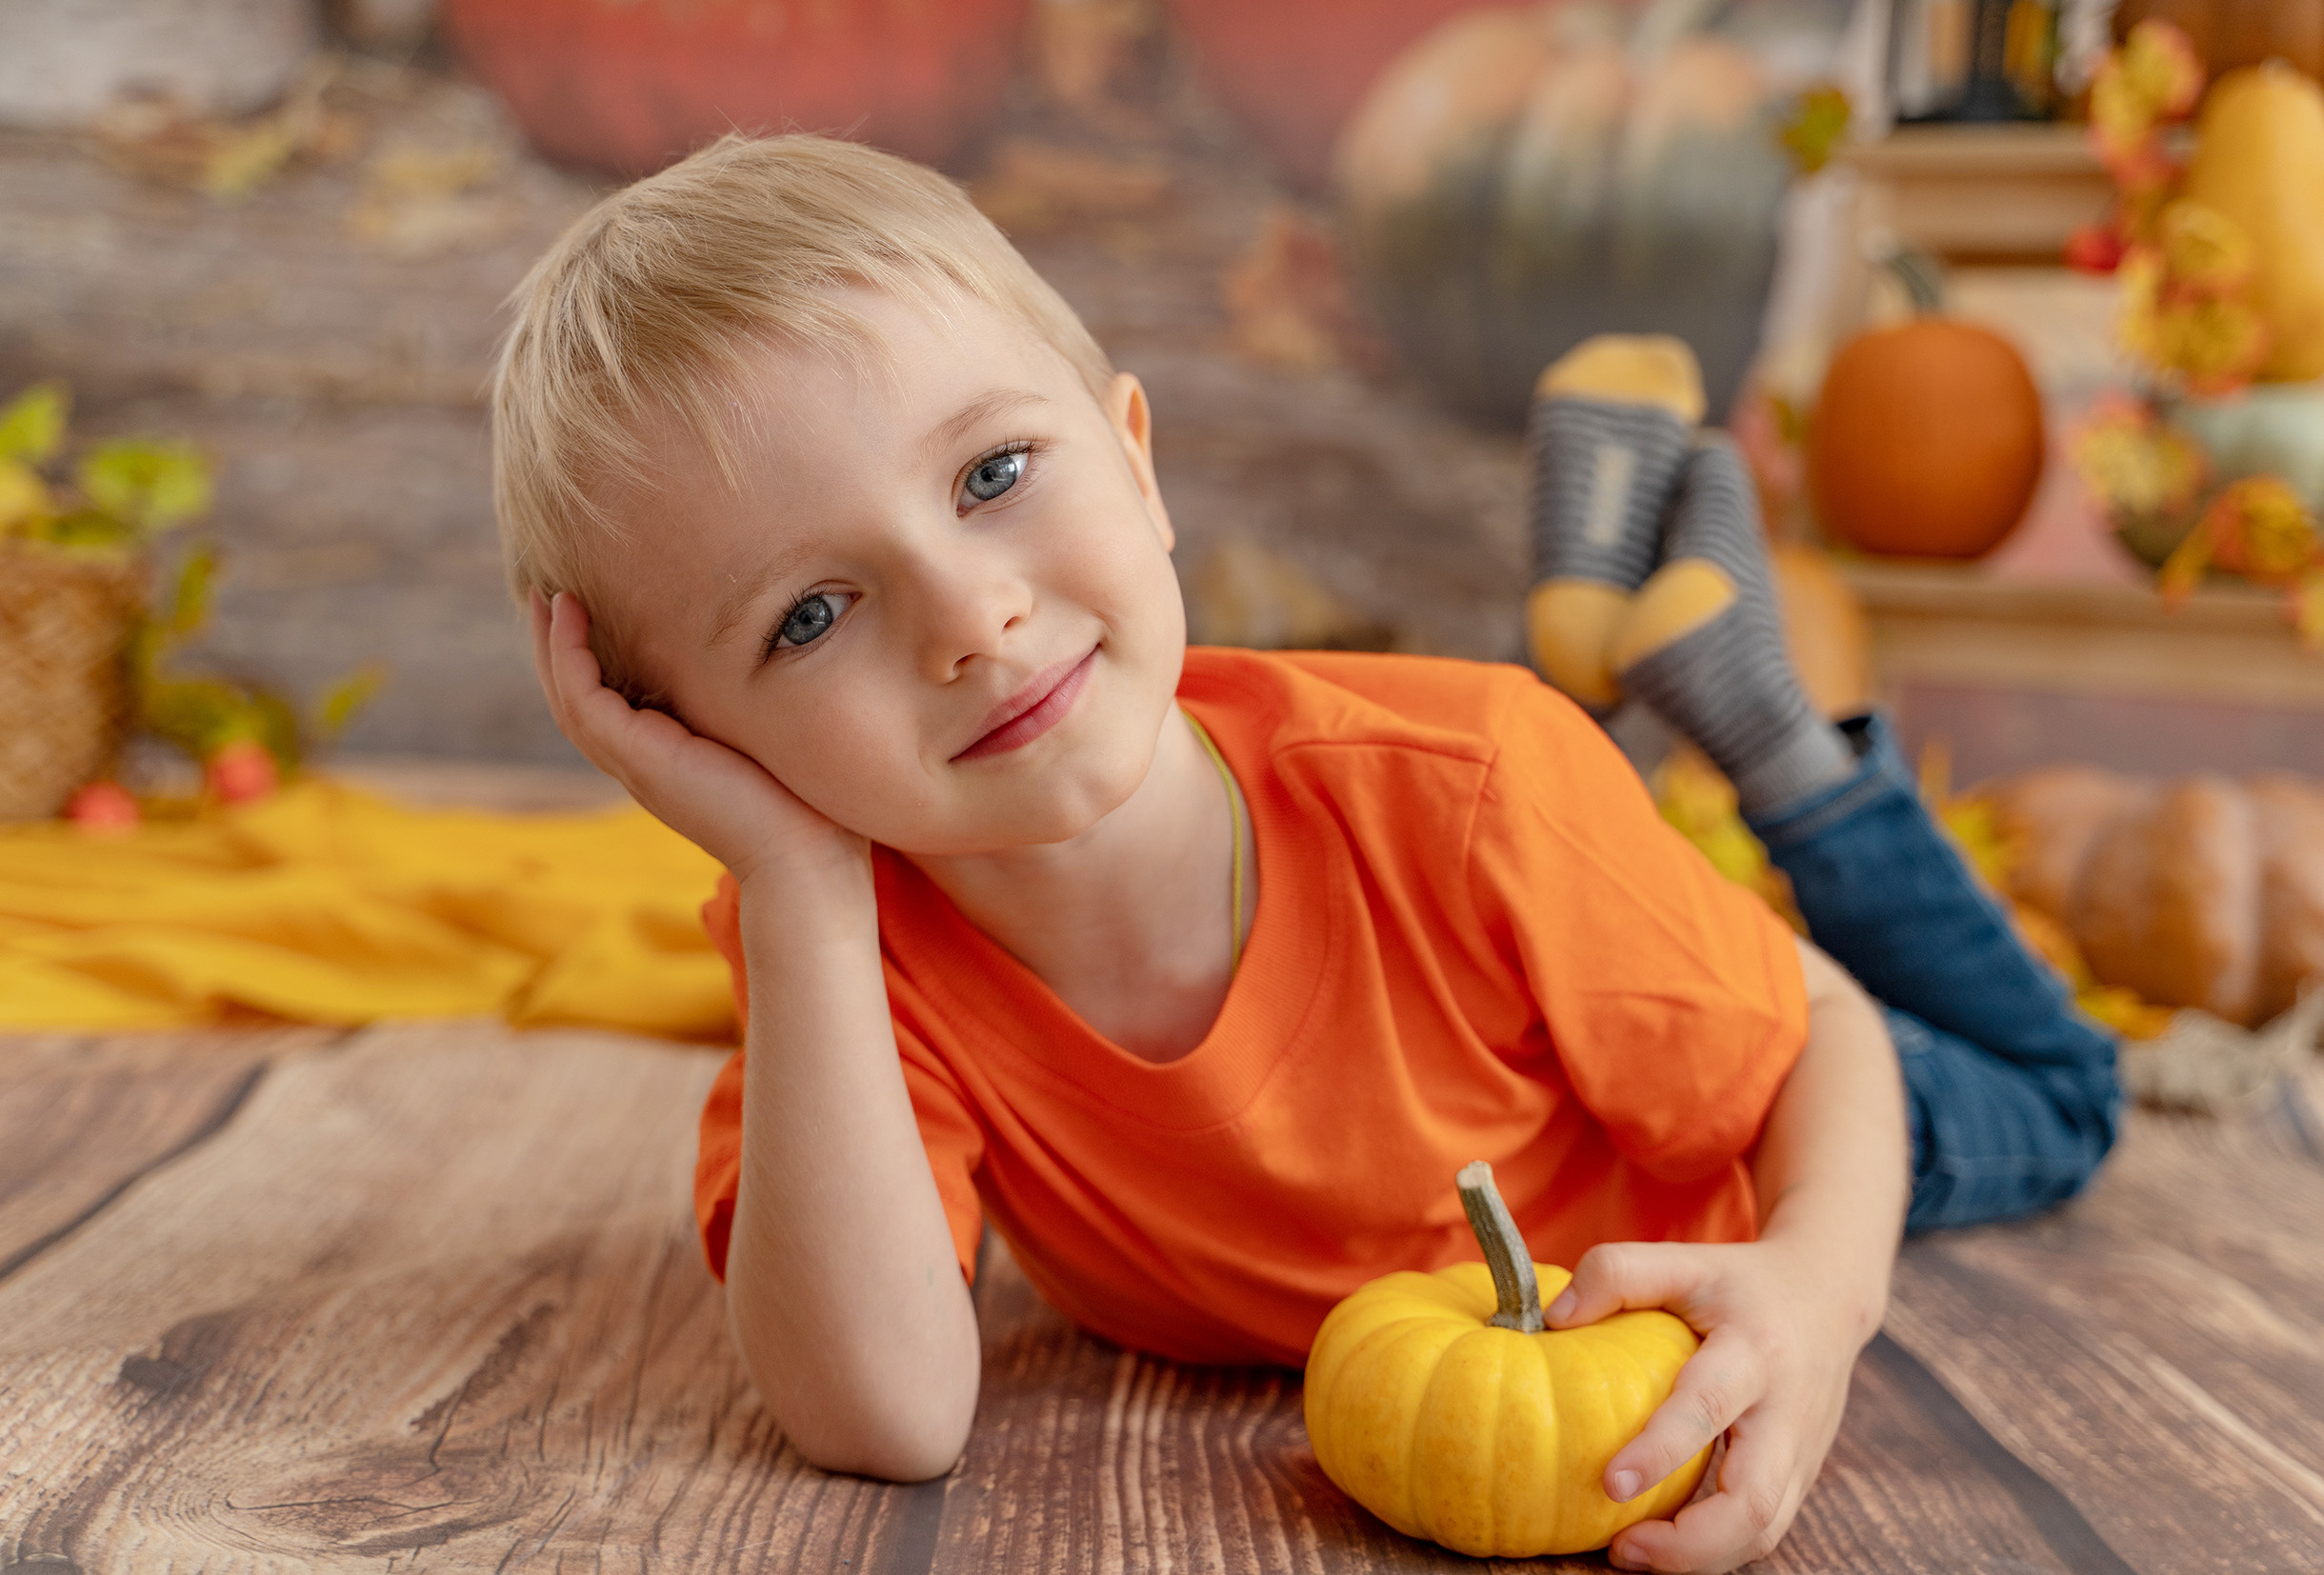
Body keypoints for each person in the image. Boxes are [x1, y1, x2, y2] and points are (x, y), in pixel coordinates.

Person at [495, 132, 2119, 1575]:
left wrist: (1815, 1297)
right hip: (1605, 963)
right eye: (809, 616)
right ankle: (1700, 706)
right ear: (699, 742)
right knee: (1644, 911)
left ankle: (1785, 754)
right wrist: (797, 896)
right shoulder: (849, 970)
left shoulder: (1466, 778)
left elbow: (1813, 1043)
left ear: (1136, 459)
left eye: (995, 474)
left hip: (1725, 1117)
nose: (972, 618)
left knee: (2058, 1095)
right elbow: (889, 1412)